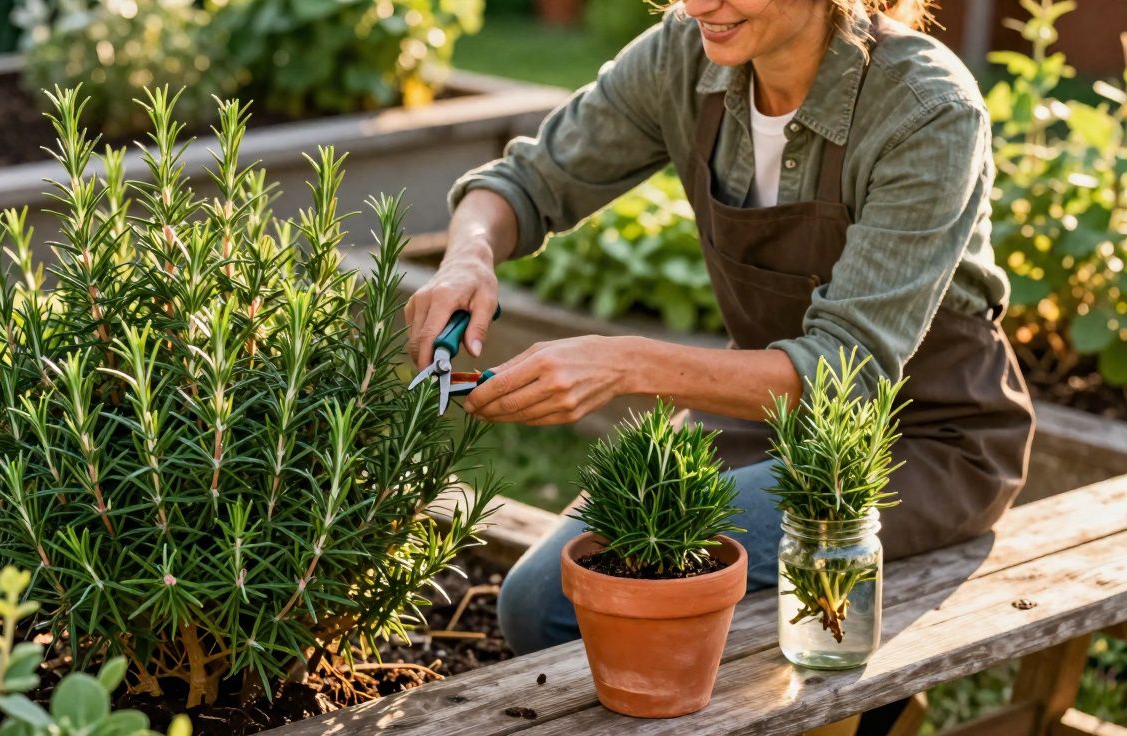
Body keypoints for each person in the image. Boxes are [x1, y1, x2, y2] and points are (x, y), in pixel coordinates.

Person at [403, 0, 1035, 657]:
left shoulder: (927, 109)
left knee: (571, 604)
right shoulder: (684, 55)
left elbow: (846, 371)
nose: (701, 5)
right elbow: (526, 182)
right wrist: (467, 255)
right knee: (543, 601)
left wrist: (625, 365)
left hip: (919, 438)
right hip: (755, 413)